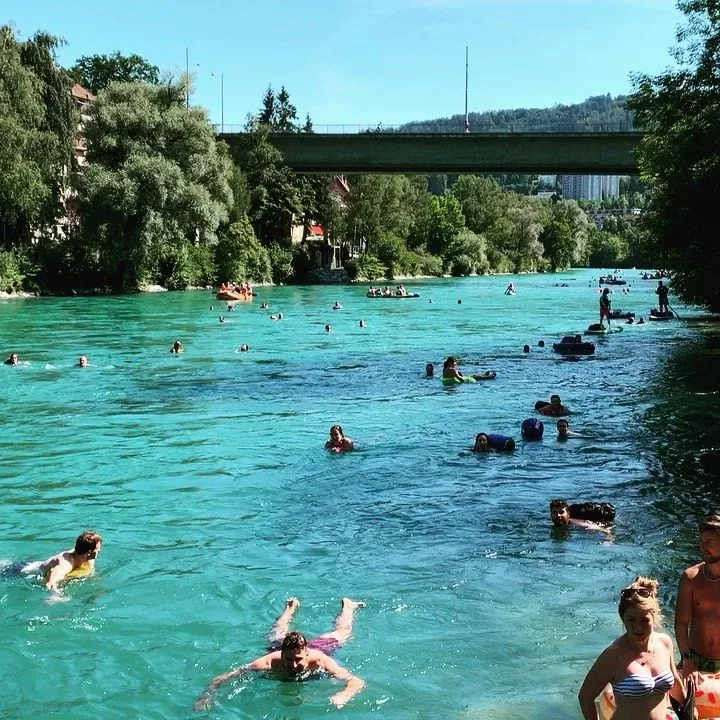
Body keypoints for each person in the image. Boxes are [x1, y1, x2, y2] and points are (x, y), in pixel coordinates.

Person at [195, 597, 366, 711]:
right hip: (281, 646)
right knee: (277, 633)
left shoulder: (320, 660)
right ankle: (291, 607)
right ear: (282, 655)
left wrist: (344, 695)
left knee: (342, 633)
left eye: (297, 659)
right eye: (288, 659)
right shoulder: (268, 663)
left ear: (306, 654)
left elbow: (356, 681)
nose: (292, 665)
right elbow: (221, 678)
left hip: (318, 648)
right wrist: (207, 696)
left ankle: (349, 607)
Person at [578, 577, 686, 719]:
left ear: (654, 616)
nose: (638, 627)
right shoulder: (613, 655)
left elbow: (675, 683)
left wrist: (688, 709)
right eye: (631, 619)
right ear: (623, 618)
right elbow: (585, 697)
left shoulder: (664, 643)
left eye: (644, 620)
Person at [675, 514, 720, 676]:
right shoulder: (691, 577)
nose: (703, 547)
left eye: (709, 542)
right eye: (701, 542)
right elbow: (681, 622)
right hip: (694, 660)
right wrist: (687, 659)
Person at [3, 531, 104, 592]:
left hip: (32, 565)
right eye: (98, 548)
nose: (100, 550)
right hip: (20, 571)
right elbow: (50, 583)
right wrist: (56, 596)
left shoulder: (87, 556)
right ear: (89, 552)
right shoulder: (66, 563)